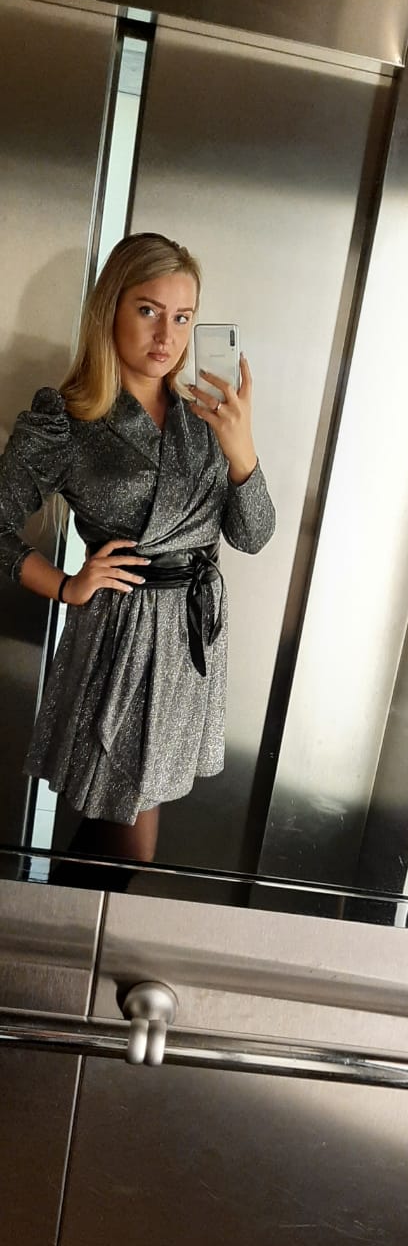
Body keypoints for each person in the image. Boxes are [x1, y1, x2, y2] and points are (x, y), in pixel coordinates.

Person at [0, 232, 275, 864]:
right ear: (111, 309)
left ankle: (55, 922)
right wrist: (66, 585)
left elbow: (253, 535)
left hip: (191, 638)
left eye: (182, 317)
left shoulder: (204, 416)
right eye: (149, 310)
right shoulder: (68, 419)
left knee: (119, 837)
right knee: (130, 843)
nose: (166, 336)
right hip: (121, 641)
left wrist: (242, 451)